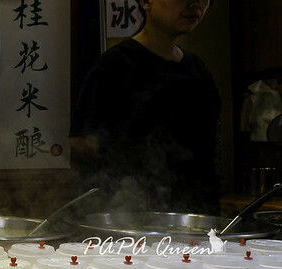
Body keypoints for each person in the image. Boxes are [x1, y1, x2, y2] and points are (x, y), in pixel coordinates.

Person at [70, 0, 222, 215]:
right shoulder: (115, 66)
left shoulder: (199, 72)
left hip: (194, 217)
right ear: (145, 1)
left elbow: (210, 153)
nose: (194, 4)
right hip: (127, 217)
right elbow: (83, 144)